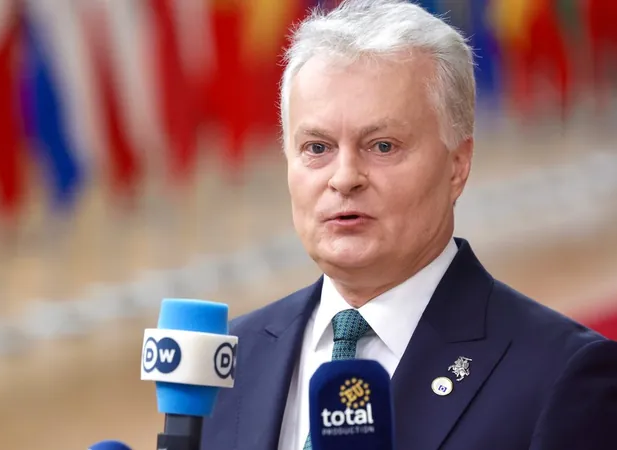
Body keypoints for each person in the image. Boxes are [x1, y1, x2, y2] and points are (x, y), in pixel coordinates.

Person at [199, 1, 617, 449]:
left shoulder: (562, 375)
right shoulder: (228, 360)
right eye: (317, 148)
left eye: (382, 146)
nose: (344, 178)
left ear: (457, 165)